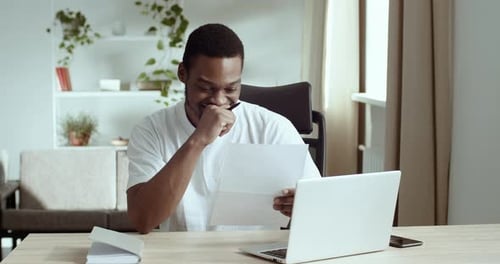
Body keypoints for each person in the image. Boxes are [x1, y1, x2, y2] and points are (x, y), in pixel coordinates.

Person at [126, 23, 320, 234]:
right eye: (205, 88)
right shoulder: (151, 130)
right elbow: (143, 220)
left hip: (255, 255)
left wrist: (301, 207)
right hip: (182, 255)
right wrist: (198, 140)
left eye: (231, 88)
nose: (218, 101)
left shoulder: (273, 127)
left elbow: (321, 207)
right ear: (182, 73)